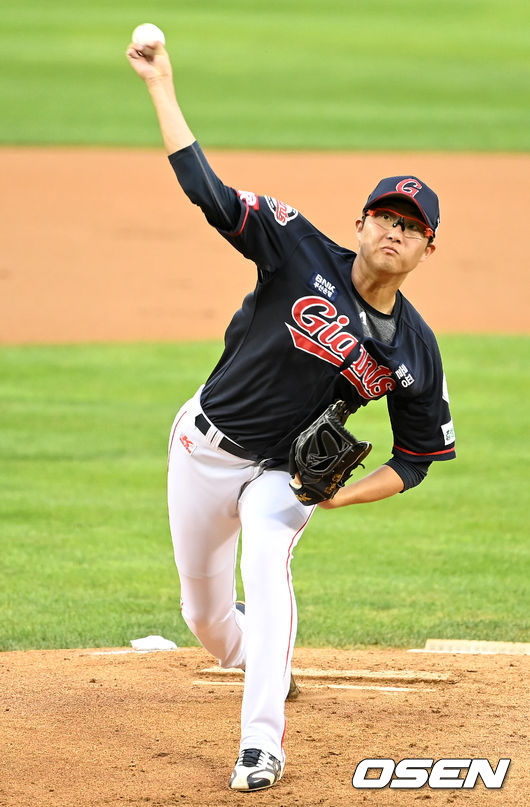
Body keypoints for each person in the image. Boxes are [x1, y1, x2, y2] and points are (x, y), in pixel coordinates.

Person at [126, 40, 456, 792]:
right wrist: (163, 82)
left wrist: (339, 493)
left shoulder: (415, 349)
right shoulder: (297, 245)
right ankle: (256, 658)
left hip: (281, 476)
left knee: (268, 564)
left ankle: (260, 743)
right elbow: (208, 191)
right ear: (364, 220)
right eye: (385, 215)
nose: (393, 230)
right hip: (201, 446)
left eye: (411, 226)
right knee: (209, 621)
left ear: (427, 248)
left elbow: (415, 458)